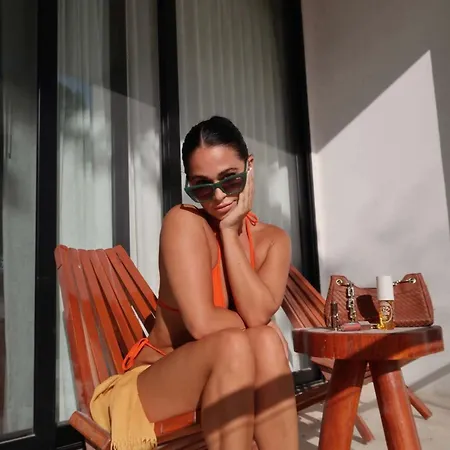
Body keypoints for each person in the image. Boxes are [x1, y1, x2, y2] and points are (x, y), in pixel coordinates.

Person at [90, 116, 299, 450]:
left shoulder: (273, 240)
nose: (218, 196)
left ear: (250, 167)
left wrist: (229, 233)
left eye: (230, 180)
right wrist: (258, 324)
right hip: (159, 378)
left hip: (231, 375)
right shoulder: (184, 223)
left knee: (264, 342)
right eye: (202, 186)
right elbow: (202, 324)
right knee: (239, 343)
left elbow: (258, 316)